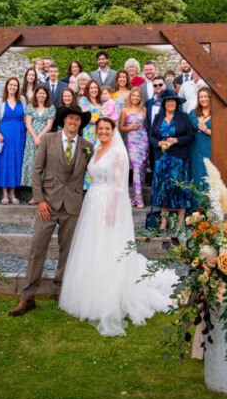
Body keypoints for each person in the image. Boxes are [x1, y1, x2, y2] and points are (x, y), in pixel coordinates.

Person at [59, 117, 178, 336]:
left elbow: (120, 186)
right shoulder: (94, 149)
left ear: (113, 131)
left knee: (108, 247)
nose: (103, 132)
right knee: (91, 247)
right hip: (92, 203)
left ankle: (110, 296)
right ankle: (89, 293)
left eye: (107, 129)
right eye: (100, 129)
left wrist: (112, 211)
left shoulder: (119, 153)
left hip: (109, 206)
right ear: (96, 132)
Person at [8, 104, 93, 317]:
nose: (74, 122)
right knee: (37, 248)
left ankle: (61, 292)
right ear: (64, 120)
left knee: (68, 252)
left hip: (72, 205)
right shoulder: (48, 140)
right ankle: (27, 297)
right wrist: (39, 200)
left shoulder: (87, 146)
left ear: (81, 123)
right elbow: (36, 171)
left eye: (77, 120)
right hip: (48, 204)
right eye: (71, 119)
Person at [149, 91, 195, 230]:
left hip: (178, 160)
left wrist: (176, 140)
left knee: (180, 189)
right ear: (164, 104)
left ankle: (181, 221)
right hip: (162, 160)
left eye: (173, 101)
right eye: (168, 101)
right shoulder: (158, 117)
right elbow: (151, 137)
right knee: (163, 190)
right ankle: (164, 222)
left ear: (176, 103)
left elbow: (190, 136)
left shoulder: (183, 117)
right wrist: (158, 143)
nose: (170, 103)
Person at [0, 77, 27, 205]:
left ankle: (13, 193)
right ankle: (4, 193)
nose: (13, 87)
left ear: (18, 87)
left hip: (18, 135)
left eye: (15, 85)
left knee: (16, 161)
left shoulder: (22, 100)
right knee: (4, 162)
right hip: (4, 134)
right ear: (7, 86)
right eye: (11, 85)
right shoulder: (1, 101)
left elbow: (25, 118)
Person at [22, 85, 55, 201]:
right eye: (39, 93)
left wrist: (40, 136)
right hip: (32, 139)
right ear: (36, 94)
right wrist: (35, 137)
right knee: (33, 165)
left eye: (43, 93)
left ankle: (44, 194)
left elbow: (49, 124)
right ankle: (34, 195)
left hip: (45, 138)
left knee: (44, 165)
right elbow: (28, 123)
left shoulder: (50, 107)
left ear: (47, 95)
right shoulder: (31, 106)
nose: (41, 95)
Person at [118, 87, 149, 208]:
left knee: (142, 169)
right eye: (133, 95)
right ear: (130, 97)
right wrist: (131, 127)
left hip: (144, 140)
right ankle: (138, 198)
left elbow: (146, 126)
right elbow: (121, 128)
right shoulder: (125, 110)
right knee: (136, 168)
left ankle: (137, 197)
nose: (135, 98)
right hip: (132, 141)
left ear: (140, 98)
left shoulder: (144, 110)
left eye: (138, 96)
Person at [188, 86, 213, 199]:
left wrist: (207, 130)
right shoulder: (193, 113)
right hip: (195, 148)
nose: (203, 99)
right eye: (201, 97)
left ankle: (208, 205)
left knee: (207, 173)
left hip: (209, 147)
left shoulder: (217, 113)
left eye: (206, 96)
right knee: (196, 173)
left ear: (210, 98)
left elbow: (223, 133)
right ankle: (195, 206)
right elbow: (187, 129)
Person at [79, 79, 104, 144]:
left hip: (102, 132)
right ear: (88, 90)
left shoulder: (101, 100)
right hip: (89, 133)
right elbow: (87, 117)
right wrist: (103, 121)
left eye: (95, 88)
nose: (94, 90)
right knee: (89, 152)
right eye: (91, 88)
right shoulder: (84, 100)